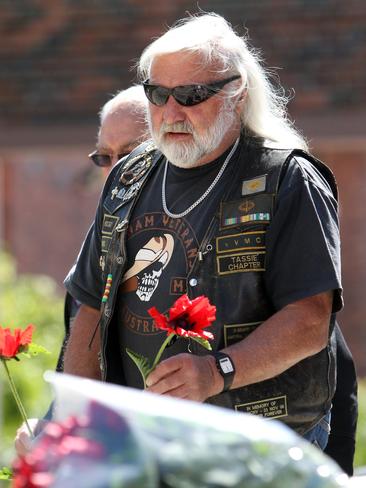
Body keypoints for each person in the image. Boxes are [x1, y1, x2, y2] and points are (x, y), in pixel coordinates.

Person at [16, 16, 358, 474]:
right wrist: (73, 424)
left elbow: (309, 319)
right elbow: (90, 309)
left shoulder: (287, 179)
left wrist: (219, 370)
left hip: (263, 446)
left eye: (192, 96)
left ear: (237, 94)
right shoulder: (128, 176)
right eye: (157, 94)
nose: (171, 112)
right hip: (145, 442)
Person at [14, 85, 148, 456]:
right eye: (105, 157)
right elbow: (79, 390)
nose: (117, 170)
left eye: (132, 153)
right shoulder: (97, 252)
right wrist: (45, 427)